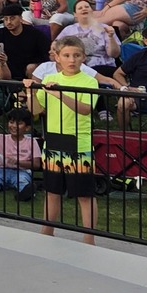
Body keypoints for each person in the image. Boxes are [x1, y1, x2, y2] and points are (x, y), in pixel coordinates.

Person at [31, 37, 101, 240]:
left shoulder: (89, 81)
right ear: (57, 57)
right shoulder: (49, 79)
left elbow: (86, 109)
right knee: (52, 191)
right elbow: (36, 110)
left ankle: (89, 238)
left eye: (76, 55)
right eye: (67, 55)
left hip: (79, 143)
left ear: (83, 57)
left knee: (84, 195)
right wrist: (30, 93)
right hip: (54, 140)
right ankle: (47, 232)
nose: (72, 60)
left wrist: (60, 94)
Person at [0, 111, 40, 200]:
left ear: (27, 127)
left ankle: (25, 194)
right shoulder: (0, 138)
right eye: (11, 122)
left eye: (19, 123)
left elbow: (36, 164)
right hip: (1, 170)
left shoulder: (31, 142)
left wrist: (18, 162)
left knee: (22, 180)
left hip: (22, 171)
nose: (14, 126)